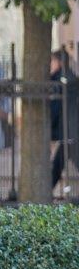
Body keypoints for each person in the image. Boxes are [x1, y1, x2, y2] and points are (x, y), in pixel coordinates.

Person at [49, 48, 79, 195]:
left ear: (59, 62)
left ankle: (46, 191)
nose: (49, 65)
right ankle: (47, 190)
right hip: (70, 129)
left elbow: (55, 108)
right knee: (58, 163)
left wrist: (49, 131)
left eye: (51, 61)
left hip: (69, 129)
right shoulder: (68, 77)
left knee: (59, 162)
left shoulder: (59, 80)